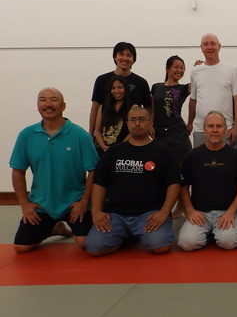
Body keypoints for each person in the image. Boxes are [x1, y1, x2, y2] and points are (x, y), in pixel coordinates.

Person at [10, 88, 99, 253]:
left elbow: (94, 172)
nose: (48, 104)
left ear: (63, 106)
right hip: (42, 205)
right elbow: (18, 171)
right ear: (38, 106)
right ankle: (54, 228)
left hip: (74, 204)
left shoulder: (80, 136)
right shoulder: (26, 135)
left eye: (54, 100)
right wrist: (25, 204)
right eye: (43, 100)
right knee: (21, 248)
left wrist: (84, 202)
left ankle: (62, 225)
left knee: (84, 243)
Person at [85, 106, 181, 256]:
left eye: (142, 119)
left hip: (150, 214)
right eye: (133, 120)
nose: (137, 123)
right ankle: (125, 236)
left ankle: (134, 233)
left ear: (150, 123)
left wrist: (164, 212)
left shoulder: (163, 152)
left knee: (160, 246)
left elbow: (174, 184)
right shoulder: (113, 152)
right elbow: (99, 183)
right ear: (127, 124)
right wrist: (96, 211)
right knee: (94, 248)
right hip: (116, 215)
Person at [178, 111, 237, 251]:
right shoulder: (192, 155)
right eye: (211, 126)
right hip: (200, 213)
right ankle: (209, 232)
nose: (215, 130)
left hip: (227, 212)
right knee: (187, 244)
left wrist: (231, 211)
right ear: (204, 129)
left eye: (219, 126)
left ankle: (217, 232)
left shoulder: (236, 156)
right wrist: (189, 210)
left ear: (226, 129)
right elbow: (183, 186)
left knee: (228, 242)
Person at [188, 33, 237, 147]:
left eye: (212, 44)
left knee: (228, 164)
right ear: (201, 48)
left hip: (226, 131)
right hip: (201, 131)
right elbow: (193, 100)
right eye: (206, 44)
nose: (209, 47)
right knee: (200, 163)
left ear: (219, 46)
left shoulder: (232, 70)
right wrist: (190, 123)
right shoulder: (195, 71)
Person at [89, 42, 151, 136]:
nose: (125, 58)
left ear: (133, 59)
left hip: (133, 136)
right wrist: (91, 133)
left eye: (129, 55)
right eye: (121, 54)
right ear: (115, 57)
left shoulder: (141, 82)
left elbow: (148, 108)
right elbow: (95, 107)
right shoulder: (102, 80)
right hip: (105, 137)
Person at [151, 55, 192, 164]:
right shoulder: (156, 87)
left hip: (178, 133)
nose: (179, 70)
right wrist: (150, 125)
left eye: (182, 67)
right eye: (176, 67)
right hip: (159, 134)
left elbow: (199, 84)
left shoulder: (184, 88)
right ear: (167, 69)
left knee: (182, 167)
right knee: (160, 166)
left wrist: (199, 69)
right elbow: (151, 109)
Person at [94, 75, 132, 156]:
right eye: (113, 88)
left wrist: (119, 147)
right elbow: (97, 130)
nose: (117, 91)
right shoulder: (103, 107)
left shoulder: (133, 108)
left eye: (120, 87)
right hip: (103, 151)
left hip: (124, 150)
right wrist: (104, 147)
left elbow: (133, 131)